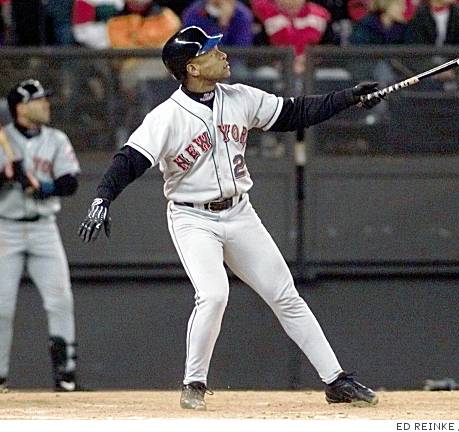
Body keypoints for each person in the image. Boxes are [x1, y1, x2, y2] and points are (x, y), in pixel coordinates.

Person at [78, 25, 383, 410]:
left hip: (239, 212)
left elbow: (294, 112)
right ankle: (194, 383)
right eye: (211, 51)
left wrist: (349, 98)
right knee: (213, 294)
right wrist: (102, 197)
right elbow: (130, 159)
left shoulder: (239, 97)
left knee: (285, 294)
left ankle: (336, 381)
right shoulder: (168, 116)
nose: (223, 54)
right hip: (193, 218)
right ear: (191, 67)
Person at [0, 79, 82, 392]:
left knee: (60, 300)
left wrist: (43, 186)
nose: (46, 104)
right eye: (39, 99)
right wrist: (6, 176)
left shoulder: (56, 139)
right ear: (20, 106)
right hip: (5, 227)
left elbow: (70, 182)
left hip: (44, 227)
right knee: (2, 306)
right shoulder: (3, 138)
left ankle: (66, 376)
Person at [251, 0, 338, 74]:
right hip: (278, 69)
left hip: (315, 69)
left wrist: (309, 60)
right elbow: (259, 50)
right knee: (264, 73)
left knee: (337, 75)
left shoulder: (321, 16)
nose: (291, 2)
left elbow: (332, 48)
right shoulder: (266, 17)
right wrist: (284, 61)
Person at [181, 0, 254, 46]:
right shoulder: (194, 12)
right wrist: (219, 27)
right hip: (202, 60)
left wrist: (225, 24)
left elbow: (242, 48)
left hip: (233, 62)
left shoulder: (242, 15)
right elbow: (191, 44)